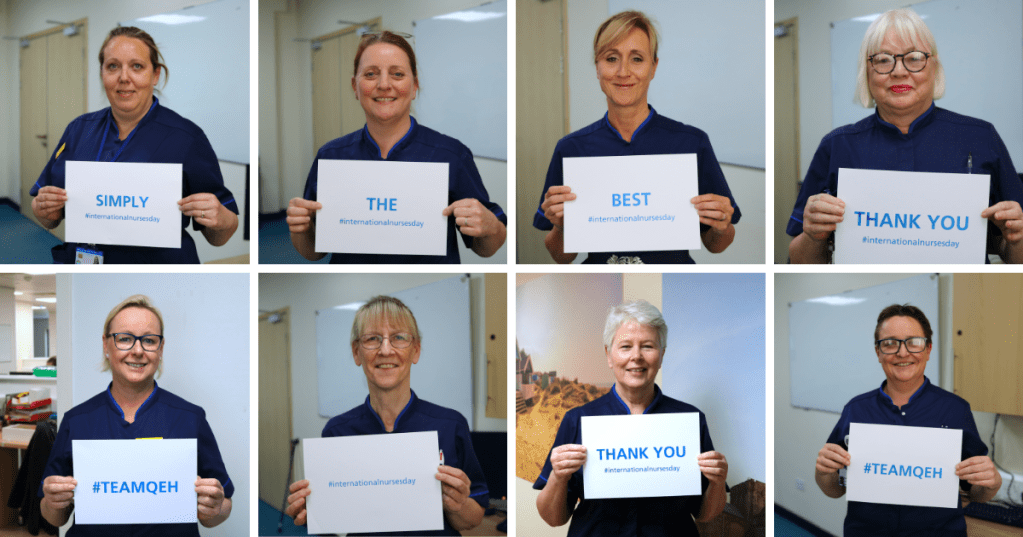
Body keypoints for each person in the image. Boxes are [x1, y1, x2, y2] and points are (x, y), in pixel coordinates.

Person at [788, 8, 1023, 264]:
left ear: (933, 67)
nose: (899, 71)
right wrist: (812, 236)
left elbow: (1013, 257)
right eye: (883, 59)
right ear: (866, 71)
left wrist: (1017, 238)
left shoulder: (982, 137)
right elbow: (798, 260)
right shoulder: (837, 145)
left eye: (913, 58)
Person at [534, 11, 740, 264]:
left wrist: (721, 226)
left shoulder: (691, 143)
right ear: (597, 68)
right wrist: (563, 227)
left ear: (653, 67)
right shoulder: (571, 149)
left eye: (637, 59)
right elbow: (561, 257)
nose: (623, 72)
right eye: (611, 58)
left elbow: (716, 245)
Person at [287, 31, 507, 263]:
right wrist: (300, 228)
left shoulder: (451, 155)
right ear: (355, 86)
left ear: (414, 87)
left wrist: (492, 227)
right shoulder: (331, 157)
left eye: (397, 74)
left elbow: (486, 248)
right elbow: (314, 252)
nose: (384, 85)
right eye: (371, 74)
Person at [29, 26, 239, 264]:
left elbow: (220, 235)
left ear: (155, 74)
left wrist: (220, 218)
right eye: (113, 66)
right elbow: (50, 217)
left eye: (137, 66)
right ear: (102, 73)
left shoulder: (187, 138)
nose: (124, 77)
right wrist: (43, 210)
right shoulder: (79, 130)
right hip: (87, 267)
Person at [284, 296, 488, 535]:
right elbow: (332, 523)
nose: (385, 350)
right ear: (357, 353)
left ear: (416, 350)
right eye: (372, 339)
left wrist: (458, 504)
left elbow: (472, 519)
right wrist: (313, 512)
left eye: (399, 337)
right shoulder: (337, 431)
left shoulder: (450, 425)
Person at [39, 295, 233, 535]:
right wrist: (52, 502)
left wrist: (215, 508)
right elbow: (56, 518)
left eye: (149, 341)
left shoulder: (190, 418)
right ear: (106, 344)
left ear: (160, 348)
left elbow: (220, 509)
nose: (138, 350)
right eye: (125, 339)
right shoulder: (77, 421)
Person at [534, 300, 728, 535]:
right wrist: (558, 476)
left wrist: (718, 481)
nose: (636, 356)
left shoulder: (690, 420)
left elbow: (705, 514)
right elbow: (554, 519)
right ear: (609, 355)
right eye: (625, 346)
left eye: (647, 346)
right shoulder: (578, 420)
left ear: (662, 354)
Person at [815, 304, 1001, 535]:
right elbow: (835, 489)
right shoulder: (856, 410)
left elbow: (976, 492)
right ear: (878, 352)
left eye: (913, 342)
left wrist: (992, 484)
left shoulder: (956, 410)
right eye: (890, 343)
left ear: (928, 349)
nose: (903, 353)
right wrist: (823, 473)